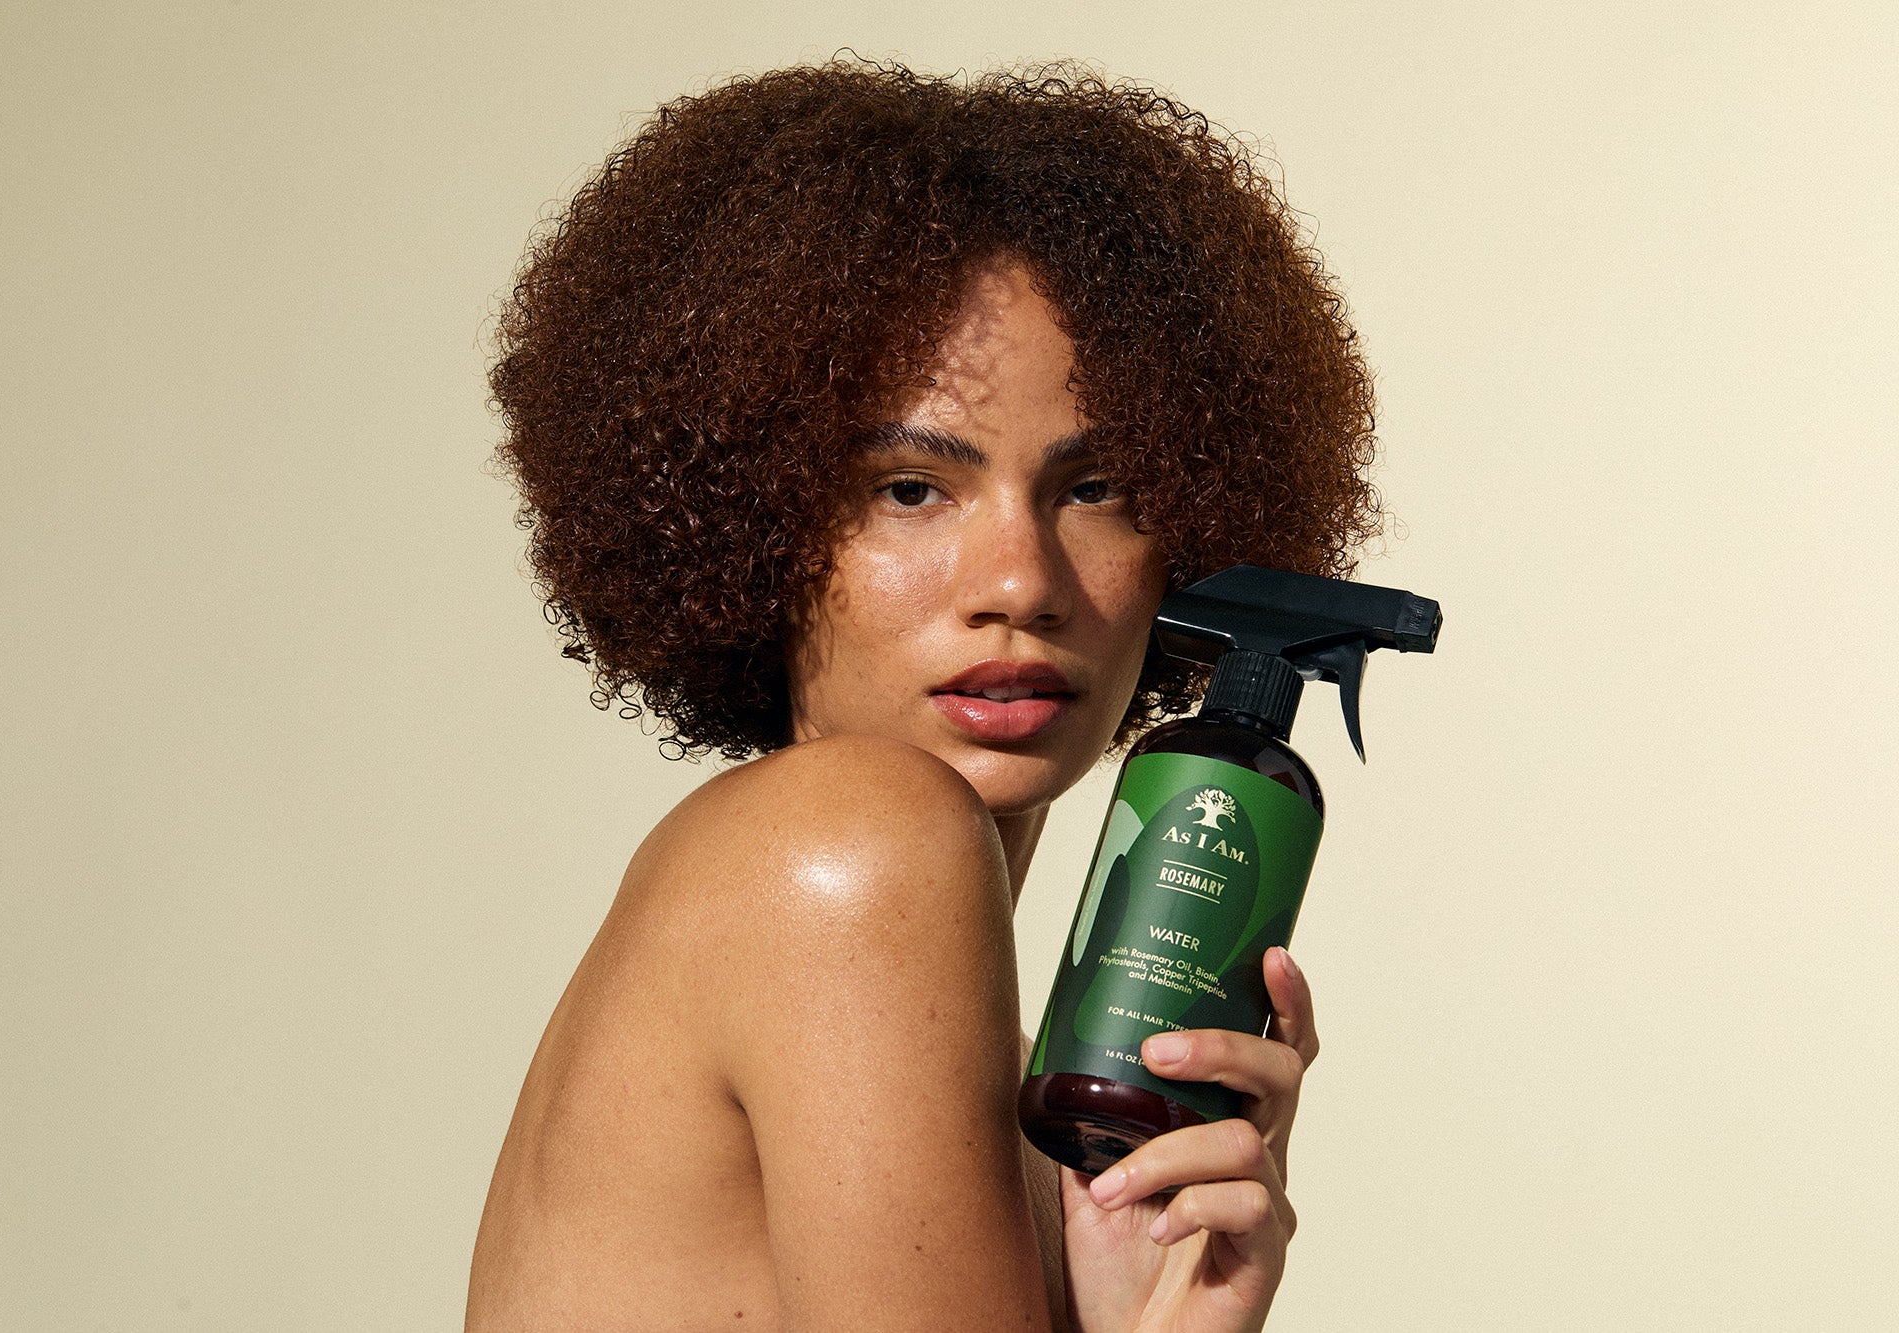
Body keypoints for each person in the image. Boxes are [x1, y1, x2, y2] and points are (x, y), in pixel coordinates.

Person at [467, 59, 1381, 1331]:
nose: (1020, 579)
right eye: (909, 487)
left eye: (1096, 486)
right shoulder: (849, 847)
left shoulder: (1010, 1092)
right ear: (752, 523)